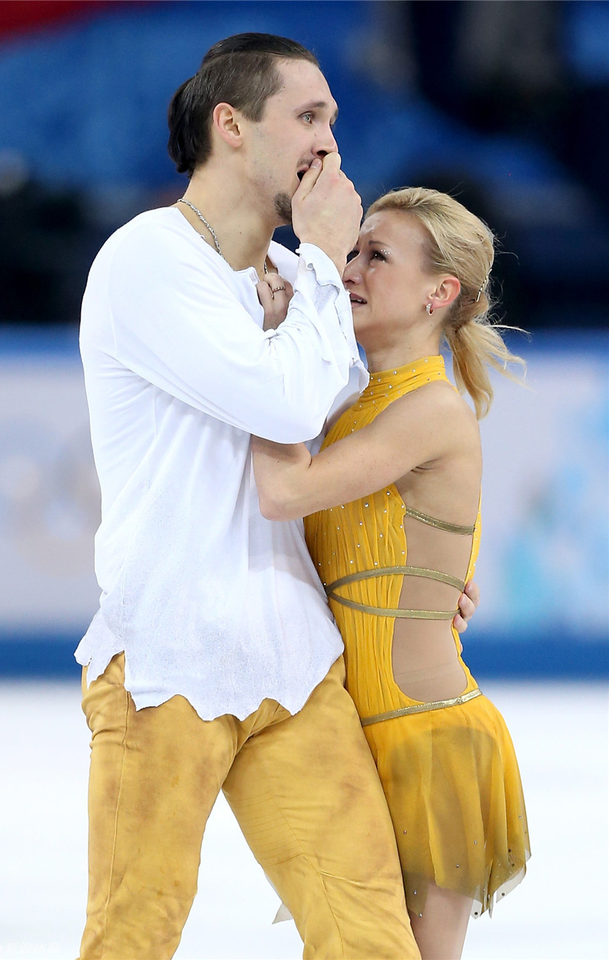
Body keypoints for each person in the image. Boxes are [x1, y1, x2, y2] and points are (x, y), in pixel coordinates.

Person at [74, 33, 481, 960]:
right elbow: (284, 402)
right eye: (307, 116)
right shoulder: (147, 261)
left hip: (296, 666)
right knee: (132, 937)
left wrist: (432, 566)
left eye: (333, 118)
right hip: (167, 663)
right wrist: (328, 256)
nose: (330, 140)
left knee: (372, 939)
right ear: (231, 126)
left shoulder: (305, 282)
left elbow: (354, 455)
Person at [252, 186, 531, 960]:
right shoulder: (351, 409)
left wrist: (270, 349)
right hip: (351, 738)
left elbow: (284, 493)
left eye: (377, 255)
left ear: (441, 293)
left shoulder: (432, 410)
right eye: (352, 249)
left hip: (424, 740)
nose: (350, 269)